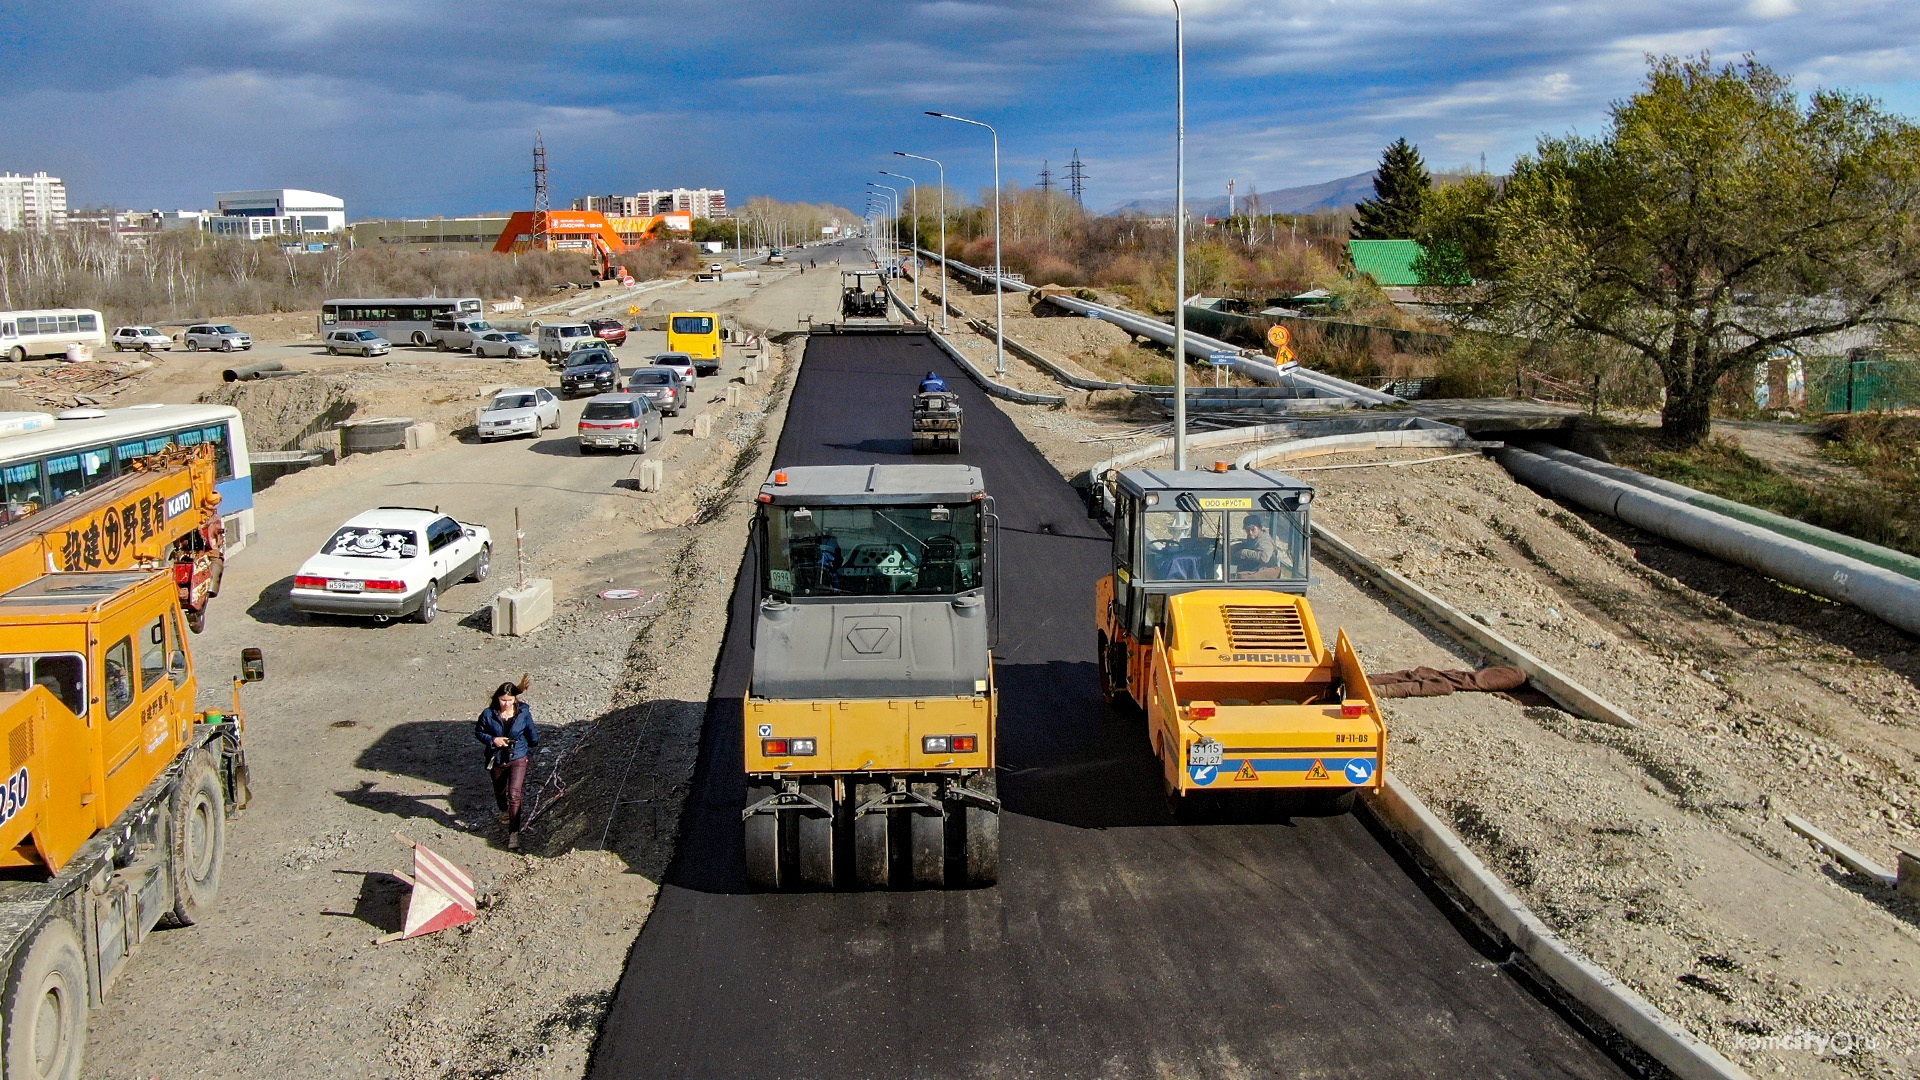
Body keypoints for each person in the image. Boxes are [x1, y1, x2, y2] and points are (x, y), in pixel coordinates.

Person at [473, 678, 539, 850]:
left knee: (514, 794)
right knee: (499, 789)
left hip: (518, 756)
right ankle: (503, 810)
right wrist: (493, 740)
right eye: (503, 700)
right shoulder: (488, 714)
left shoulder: (523, 713)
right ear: (497, 699)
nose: (506, 704)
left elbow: (531, 732)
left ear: (515, 699)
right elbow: (479, 732)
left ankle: (514, 833)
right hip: (497, 757)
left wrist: (532, 743)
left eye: (509, 700)